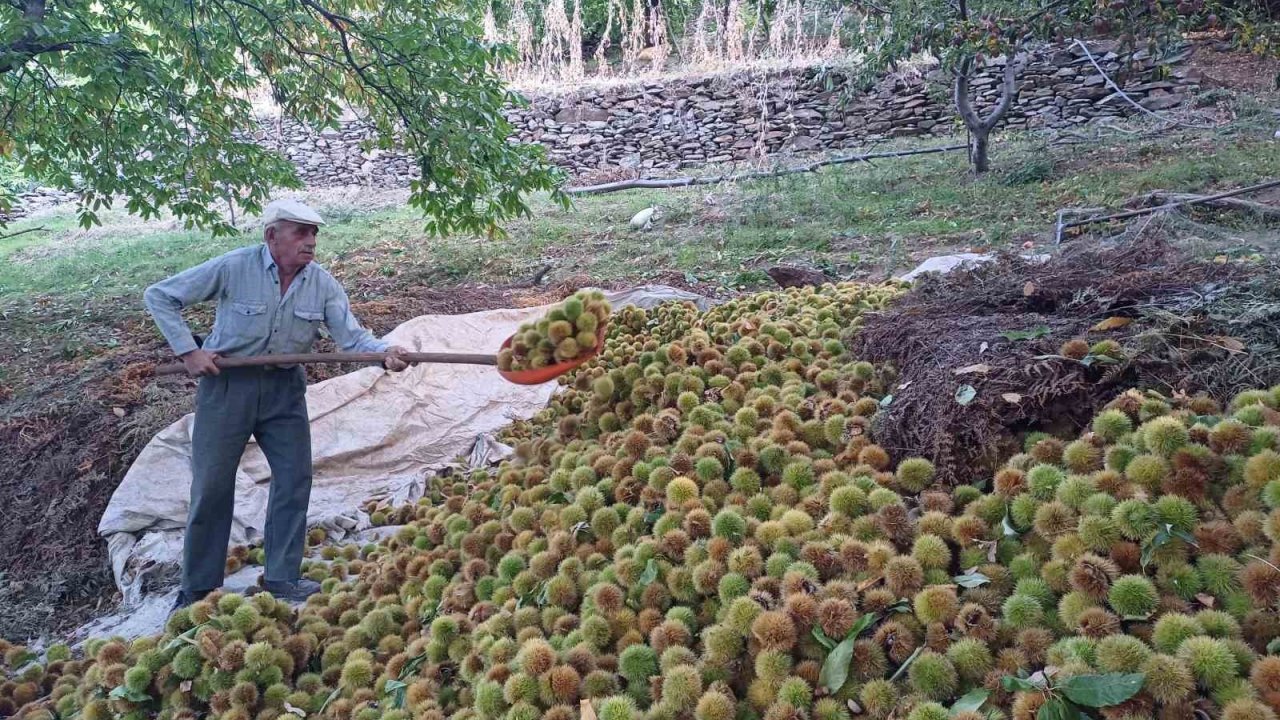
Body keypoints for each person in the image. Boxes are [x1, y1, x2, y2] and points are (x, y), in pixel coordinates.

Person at [143, 198, 412, 611]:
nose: (311, 242)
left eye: (314, 233)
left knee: (294, 476)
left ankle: (282, 577)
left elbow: (352, 338)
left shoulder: (321, 283)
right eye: (301, 233)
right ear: (272, 236)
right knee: (212, 485)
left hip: (284, 390)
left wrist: (384, 353)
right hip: (228, 387)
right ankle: (198, 587)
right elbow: (160, 296)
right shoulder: (235, 267)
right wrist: (189, 352)